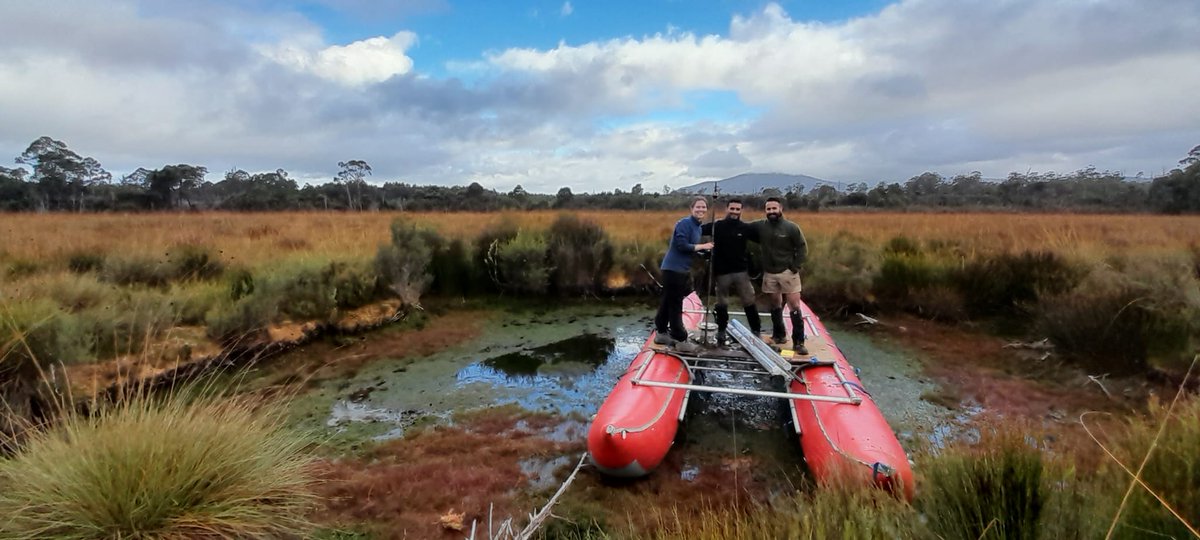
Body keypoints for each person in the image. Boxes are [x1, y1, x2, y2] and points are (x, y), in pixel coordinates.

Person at [748, 197, 809, 355]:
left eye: (774, 209)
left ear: (780, 209)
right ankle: (779, 335)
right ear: (765, 211)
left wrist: (795, 267)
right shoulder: (760, 226)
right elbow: (741, 228)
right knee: (775, 303)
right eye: (768, 209)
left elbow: (802, 248)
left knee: (794, 306)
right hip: (769, 273)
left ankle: (799, 342)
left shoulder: (791, 228)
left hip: (788, 273)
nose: (771, 212)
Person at [654, 196, 714, 352]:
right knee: (675, 304)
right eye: (698, 207)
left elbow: (690, 249)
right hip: (673, 269)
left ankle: (661, 332)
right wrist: (703, 246)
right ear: (691, 208)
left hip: (681, 269)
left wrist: (704, 252)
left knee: (668, 300)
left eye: (703, 207)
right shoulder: (684, 223)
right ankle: (680, 339)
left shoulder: (698, 227)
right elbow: (681, 246)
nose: (701, 210)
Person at [700, 198, 762, 345]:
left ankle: (756, 331)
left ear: (741, 211)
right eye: (732, 209)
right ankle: (721, 331)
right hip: (722, 272)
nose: (734, 212)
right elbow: (699, 229)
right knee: (722, 302)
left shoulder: (745, 228)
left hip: (741, 271)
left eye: (737, 209)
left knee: (749, 300)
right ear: (727, 209)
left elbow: (763, 238)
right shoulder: (717, 226)